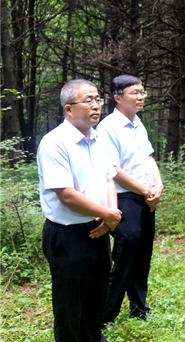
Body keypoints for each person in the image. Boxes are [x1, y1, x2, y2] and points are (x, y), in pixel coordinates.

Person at [37, 79, 123, 342]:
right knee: (69, 306)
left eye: (98, 99)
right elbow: (67, 195)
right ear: (69, 109)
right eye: (88, 100)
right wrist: (108, 215)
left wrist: (111, 214)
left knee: (96, 299)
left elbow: (109, 178)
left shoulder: (98, 139)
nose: (96, 105)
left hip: (98, 230)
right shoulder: (54, 143)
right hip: (67, 236)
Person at [97, 75, 164, 325]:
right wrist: (146, 191)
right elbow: (114, 171)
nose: (141, 96)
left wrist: (158, 185)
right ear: (118, 98)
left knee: (142, 255)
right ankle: (105, 315)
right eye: (135, 92)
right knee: (124, 258)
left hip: (146, 198)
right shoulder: (107, 128)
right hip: (124, 199)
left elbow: (148, 158)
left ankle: (139, 308)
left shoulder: (137, 123)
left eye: (143, 91)